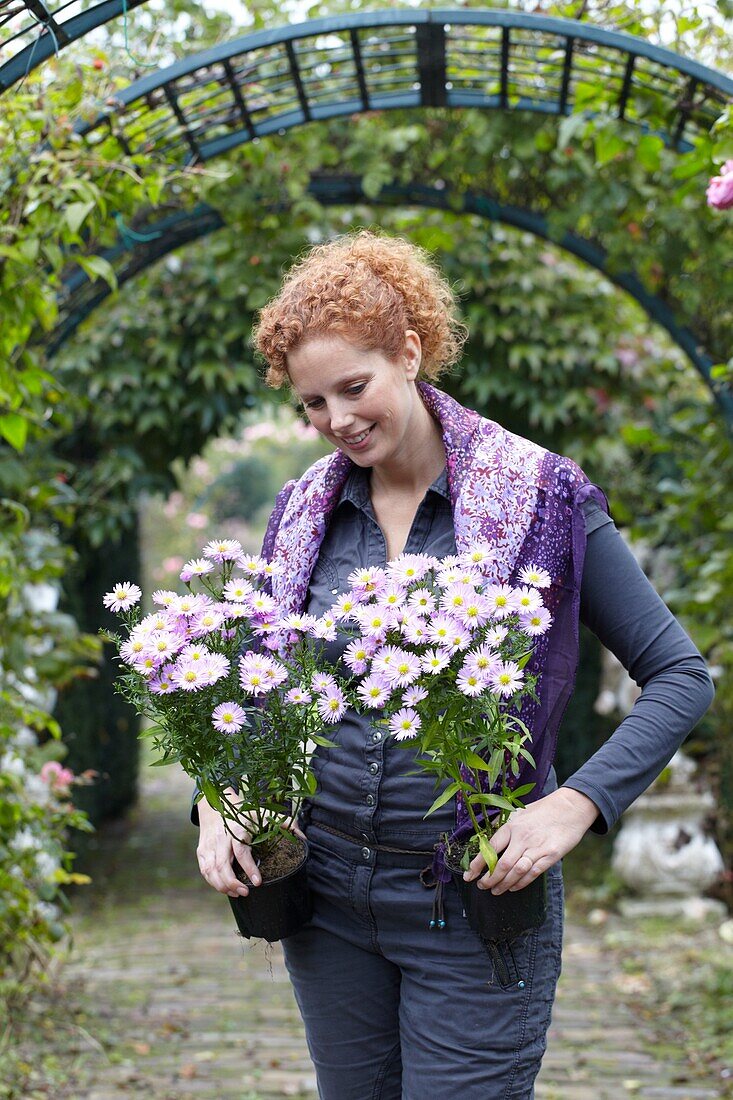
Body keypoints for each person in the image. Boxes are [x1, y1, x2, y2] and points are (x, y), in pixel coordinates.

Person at [192, 228, 715, 1099]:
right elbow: (254, 690)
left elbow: (680, 675)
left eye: (353, 388)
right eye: (312, 405)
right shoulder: (300, 515)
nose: (336, 422)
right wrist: (220, 798)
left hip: (471, 905)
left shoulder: (542, 496)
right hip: (324, 902)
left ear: (409, 351)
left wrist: (576, 804)